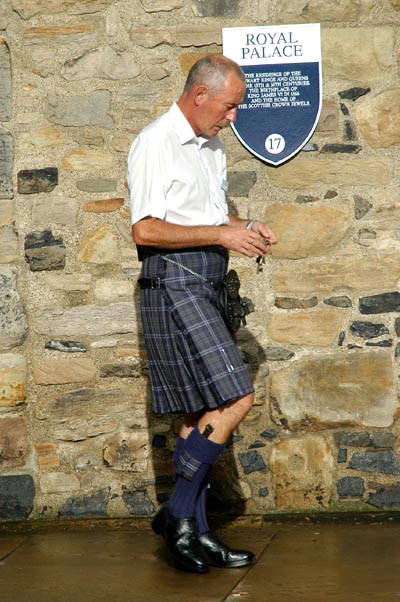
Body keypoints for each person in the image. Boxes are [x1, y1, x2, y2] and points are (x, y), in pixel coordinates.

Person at [127, 54, 277, 574]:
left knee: (198, 413)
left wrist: (245, 226)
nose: (233, 117)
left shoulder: (211, 146)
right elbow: (145, 230)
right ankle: (177, 516)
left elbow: (209, 216)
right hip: (171, 283)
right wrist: (220, 234)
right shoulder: (156, 142)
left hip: (205, 282)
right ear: (199, 96)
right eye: (229, 106)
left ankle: (196, 530)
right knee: (237, 395)